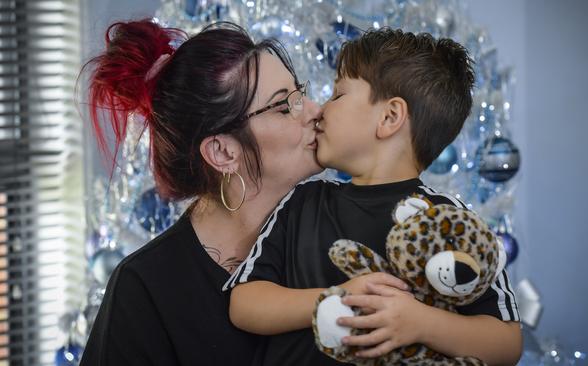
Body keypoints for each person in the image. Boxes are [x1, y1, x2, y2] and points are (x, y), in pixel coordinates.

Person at [227, 28, 523, 365]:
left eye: (337, 95)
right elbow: (244, 304)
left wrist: (420, 323)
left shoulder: (447, 221)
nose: (320, 110)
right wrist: (333, 298)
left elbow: (507, 343)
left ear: (390, 117)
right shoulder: (301, 202)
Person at [78, 19, 331, 365]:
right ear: (223, 152)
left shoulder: (335, 240)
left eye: (300, 93)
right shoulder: (145, 289)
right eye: (285, 105)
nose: (316, 111)